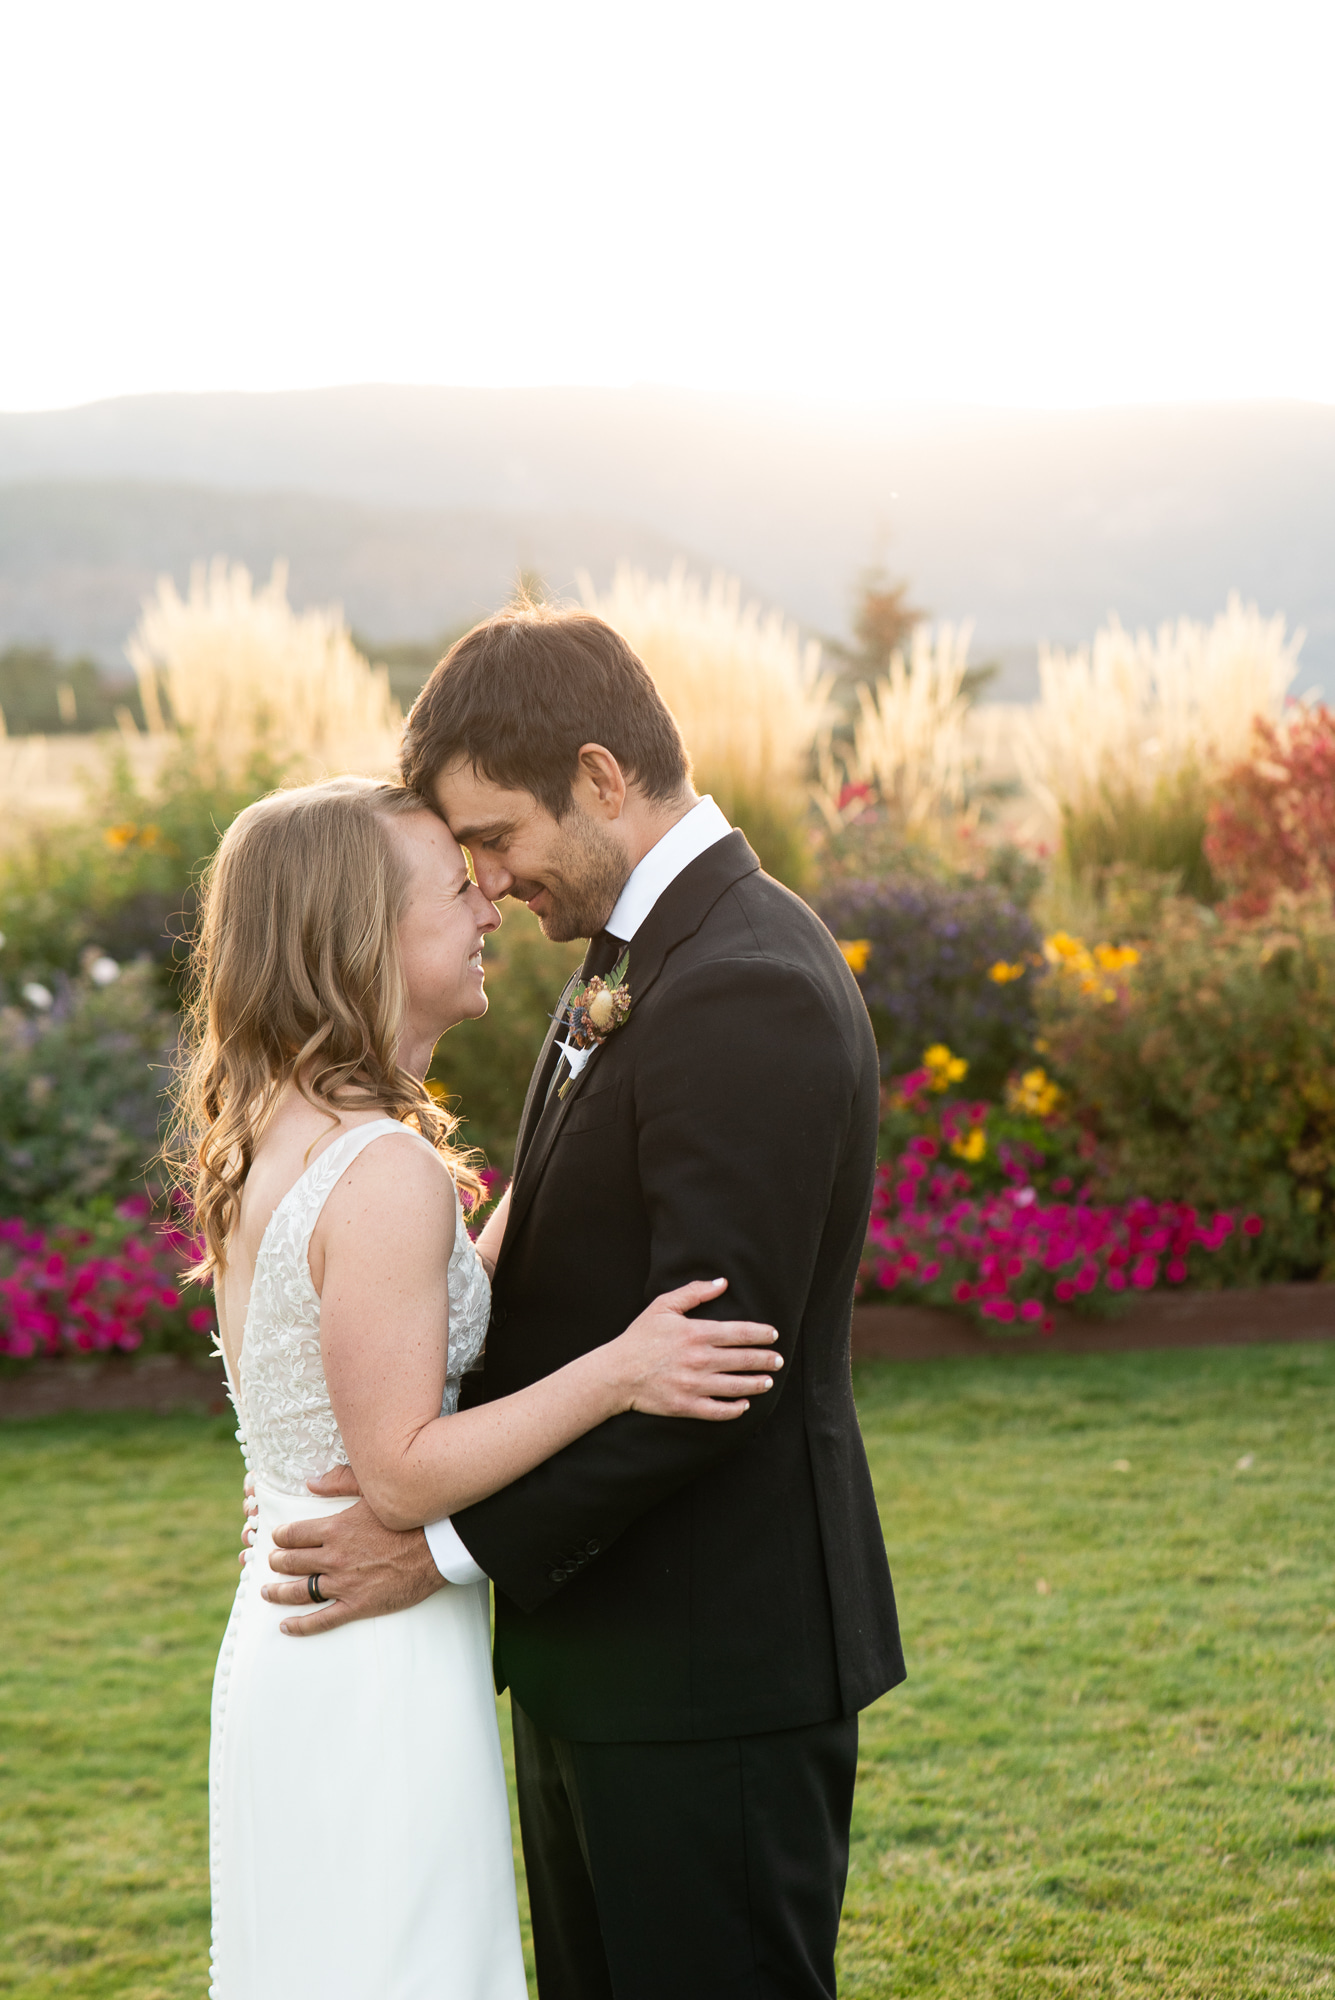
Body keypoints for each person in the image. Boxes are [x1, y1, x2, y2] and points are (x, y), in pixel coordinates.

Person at [267, 607, 906, 2000]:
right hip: (598, 1652)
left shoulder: (741, 983)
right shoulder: (628, 963)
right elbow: (556, 1271)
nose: (488, 881)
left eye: (495, 837)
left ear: (601, 777)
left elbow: (711, 1384)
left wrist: (435, 1552)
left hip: (709, 1668)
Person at [182, 775, 781, 1999]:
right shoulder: (384, 1167)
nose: (491, 903)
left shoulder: (282, 1128)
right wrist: (622, 1372)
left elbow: (428, 1298)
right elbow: (400, 1467)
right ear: (362, 937)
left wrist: (576, 1098)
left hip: (295, 1619)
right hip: (367, 1654)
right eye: (456, 886)